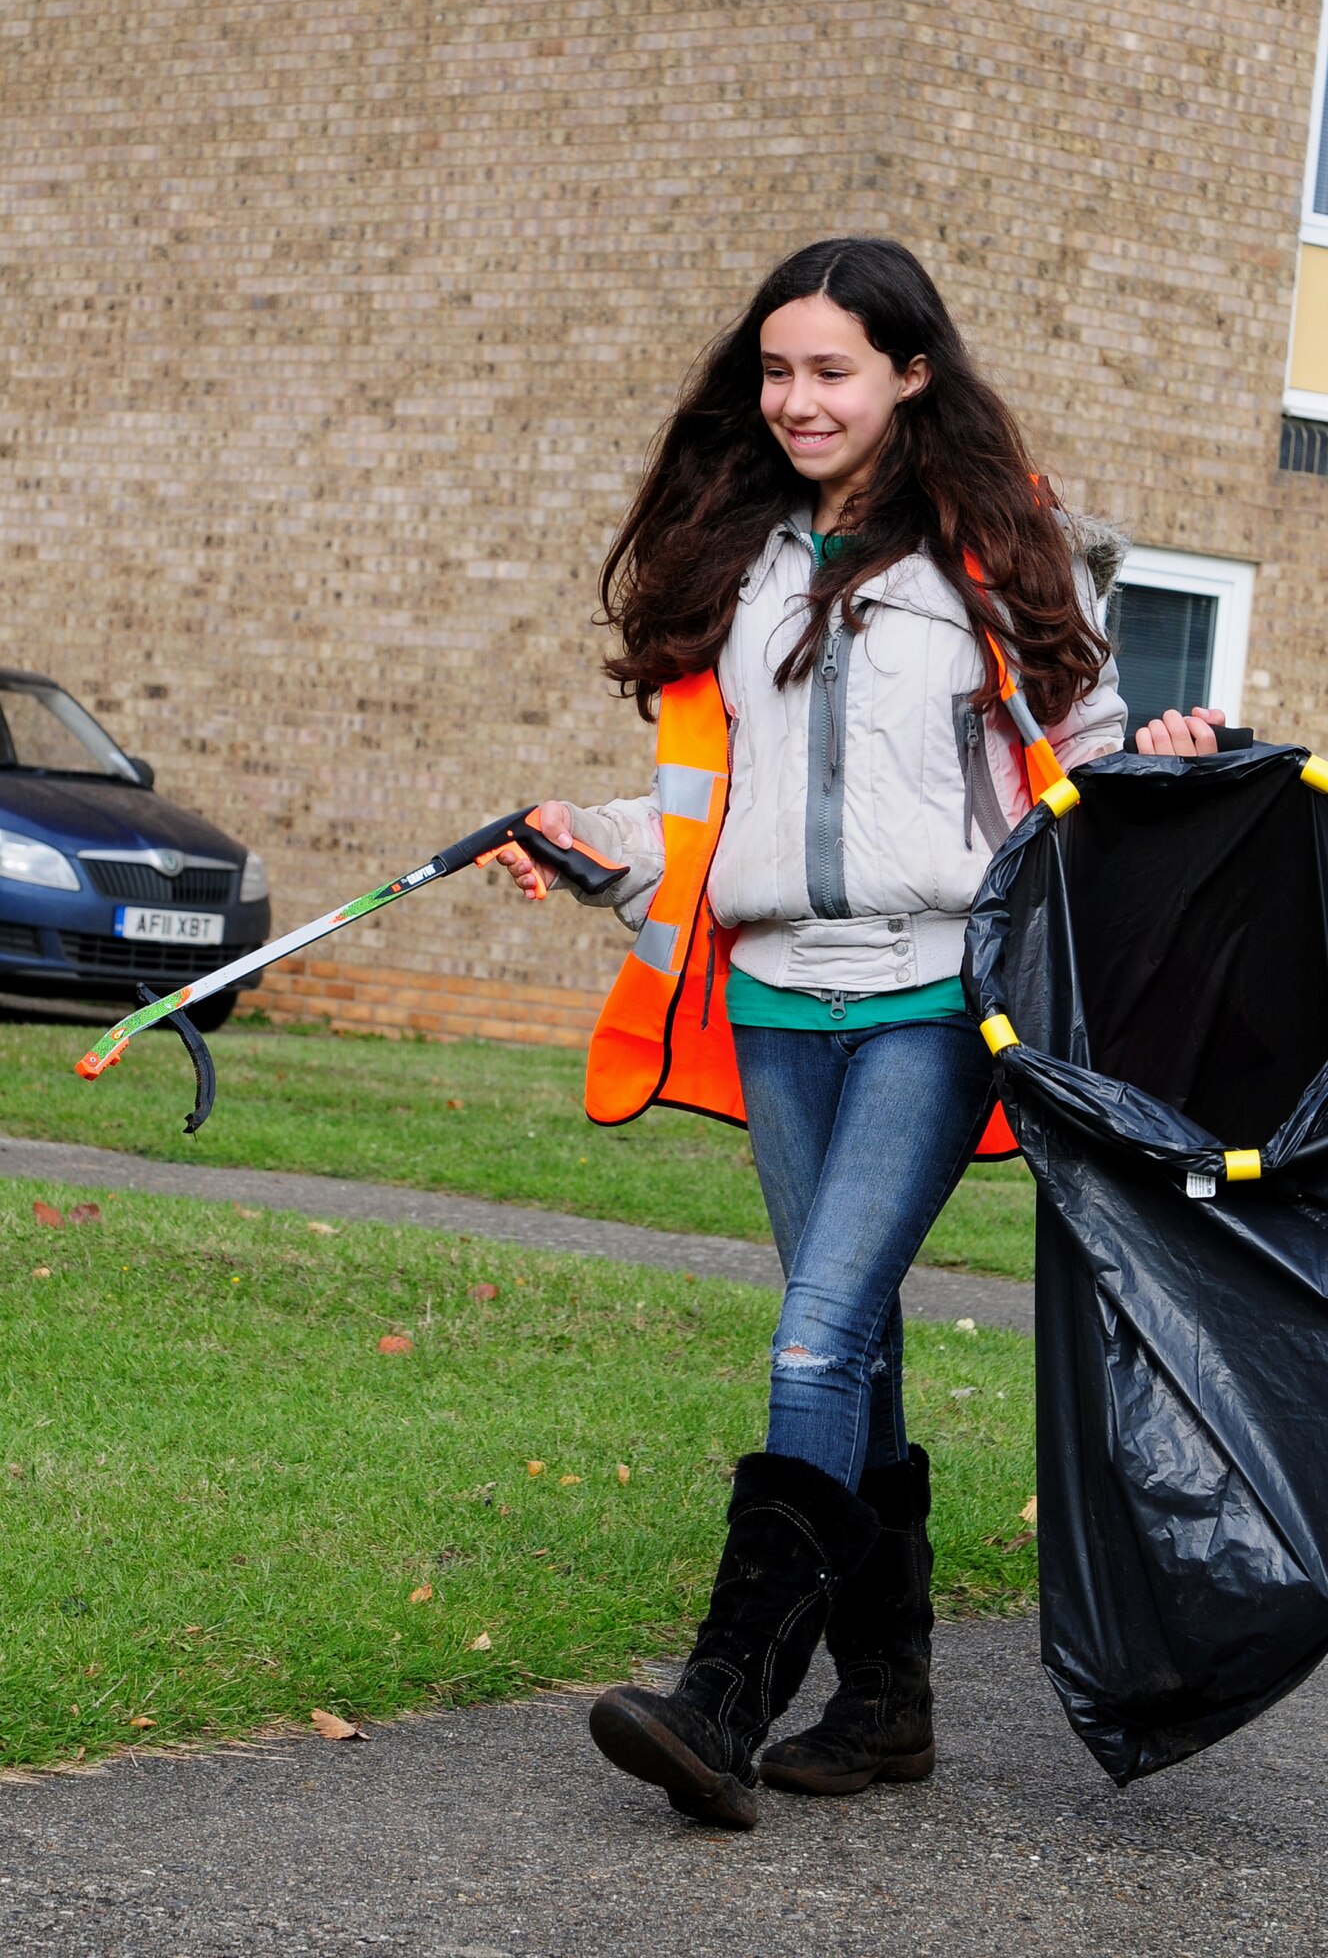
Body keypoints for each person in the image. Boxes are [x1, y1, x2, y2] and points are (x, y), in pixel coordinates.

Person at [496, 237, 1224, 1830]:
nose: (796, 399)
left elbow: (1081, 771)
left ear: (910, 372)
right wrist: (593, 833)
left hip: (930, 994)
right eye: (776, 371)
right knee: (865, 1338)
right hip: (769, 994)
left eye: (830, 370)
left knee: (819, 1329)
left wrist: (1170, 754)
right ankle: (889, 1703)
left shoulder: (996, 551)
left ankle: (723, 1698)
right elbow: (721, 793)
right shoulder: (740, 550)